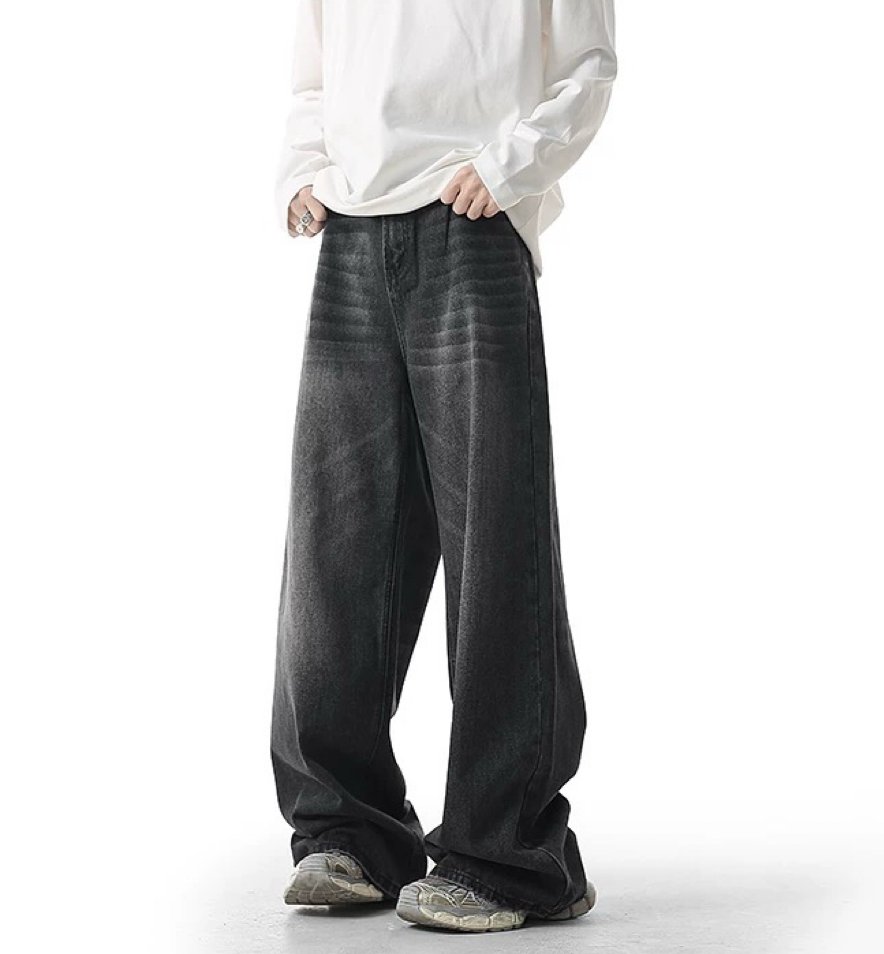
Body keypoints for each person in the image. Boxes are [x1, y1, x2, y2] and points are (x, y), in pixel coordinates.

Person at [269, 0, 617, 934]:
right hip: (350, 228)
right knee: (334, 549)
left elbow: (588, 64)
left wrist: (508, 168)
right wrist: (303, 167)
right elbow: (315, 70)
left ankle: (512, 855)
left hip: (473, 218)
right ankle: (348, 832)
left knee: (495, 540)